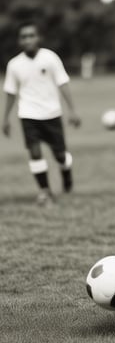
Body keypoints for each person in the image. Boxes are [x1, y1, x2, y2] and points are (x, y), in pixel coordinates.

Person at [2, 21, 81, 206]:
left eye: (31, 35)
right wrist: (5, 118)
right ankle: (45, 192)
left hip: (52, 114)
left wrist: (72, 111)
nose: (28, 39)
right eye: (24, 36)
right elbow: (11, 92)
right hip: (28, 115)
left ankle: (66, 172)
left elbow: (63, 83)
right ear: (19, 41)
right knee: (35, 152)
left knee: (60, 155)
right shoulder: (14, 65)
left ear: (38, 38)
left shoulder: (50, 58)